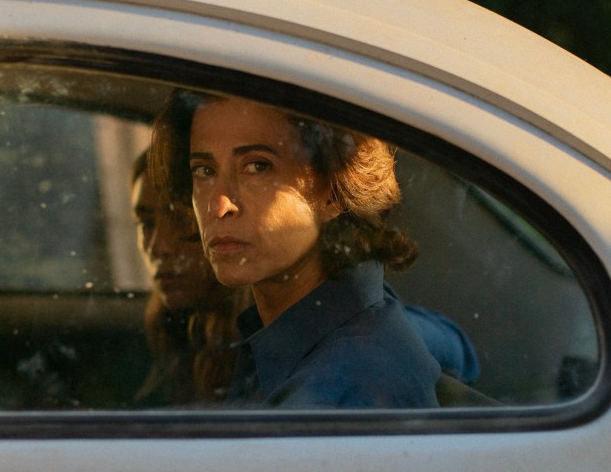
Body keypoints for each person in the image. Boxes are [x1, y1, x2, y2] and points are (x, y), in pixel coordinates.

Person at [150, 92, 440, 408]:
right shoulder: (344, 325)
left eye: (257, 166)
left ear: (332, 190)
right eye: (204, 171)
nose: (219, 204)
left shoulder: (342, 384)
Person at [129, 150, 247, 405]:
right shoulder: (169, 333)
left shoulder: (254, 353)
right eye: (146, 222)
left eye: (183, 220)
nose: (159, 246)